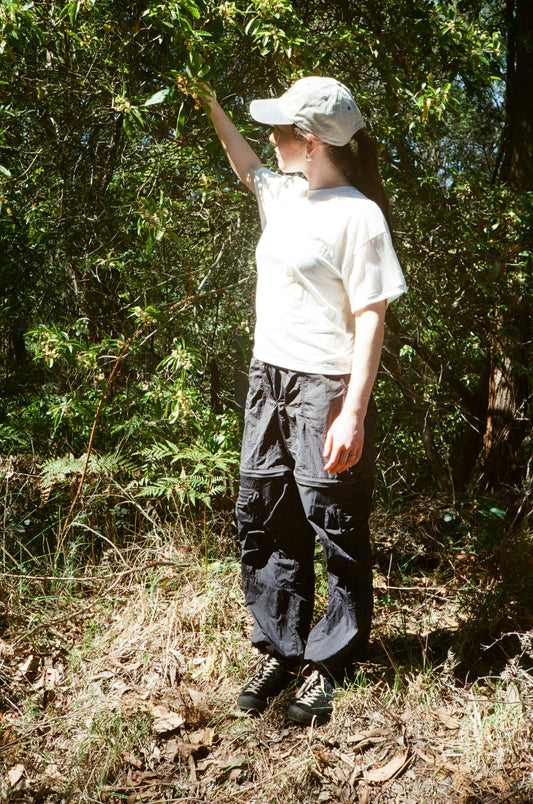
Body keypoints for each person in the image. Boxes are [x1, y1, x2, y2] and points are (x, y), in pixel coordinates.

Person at [198, 76, 407, 725]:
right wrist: (209, 104)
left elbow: (370, 317)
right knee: (265, 514)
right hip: (268, 379)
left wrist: (352, 412)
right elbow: (247, 165)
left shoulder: (358, 215)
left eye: (280, 127)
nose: (270, 136)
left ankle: (331, 662)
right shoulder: (286, 194)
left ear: (311, 141)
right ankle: (279, 648)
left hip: (326, 388)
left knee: (335, 523)